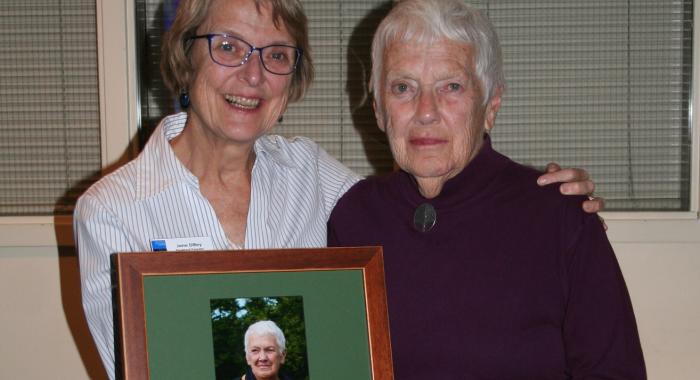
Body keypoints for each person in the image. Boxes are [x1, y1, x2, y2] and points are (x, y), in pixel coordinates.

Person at [74, 0, 602, 378]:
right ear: (186, 58)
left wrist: (548, 200)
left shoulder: (310, 173)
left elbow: (424, 197)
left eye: (276, 55)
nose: (252, 75)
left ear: (290, 81)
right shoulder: (113, 212)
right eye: (228, 47)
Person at [327, 0, 646, 378]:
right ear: (379, 107)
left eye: (451, 86)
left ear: (490, 104)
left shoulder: (558, 218)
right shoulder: (352, 218)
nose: (426, 110)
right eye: (402, 87)